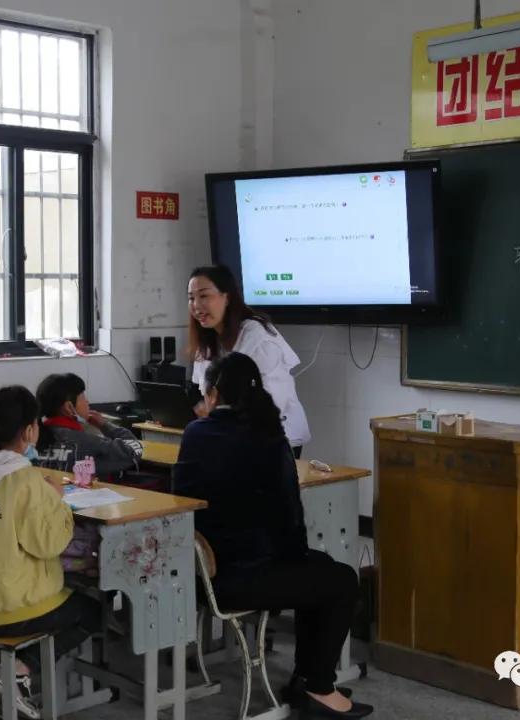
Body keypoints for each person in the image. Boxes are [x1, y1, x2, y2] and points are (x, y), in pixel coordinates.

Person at [173, 352, 372, 719]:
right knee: (340, 580)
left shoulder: (195, 433)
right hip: (244, 577)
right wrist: (296, 559)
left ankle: (307, 678)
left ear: (213, 393)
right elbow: (289, 515)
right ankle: (319, 687)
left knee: (321, 570)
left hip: (203, 573)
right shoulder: (269, 437)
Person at [0, 385, 102, 716]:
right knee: (90, 611)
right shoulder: (24, 480)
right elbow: (50, 542)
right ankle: (20, 671)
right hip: (11, 610)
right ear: (28, 430)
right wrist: (54, 497)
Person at [187, 264, 311, 456]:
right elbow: (205, 393)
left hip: (276, 439)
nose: (196, 305)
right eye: (191, 298)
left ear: (226, 297)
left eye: (204, 296)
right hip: (232, 438)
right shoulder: (207, 341)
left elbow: (273, 403)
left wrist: (218, 417)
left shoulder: (257, 337)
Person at [34, 372, 143, 481]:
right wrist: (105, 425)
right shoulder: (86, 441)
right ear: (68, 407)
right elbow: (134, 450)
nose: (87, 402)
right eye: (83, 398)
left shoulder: (32, 439)